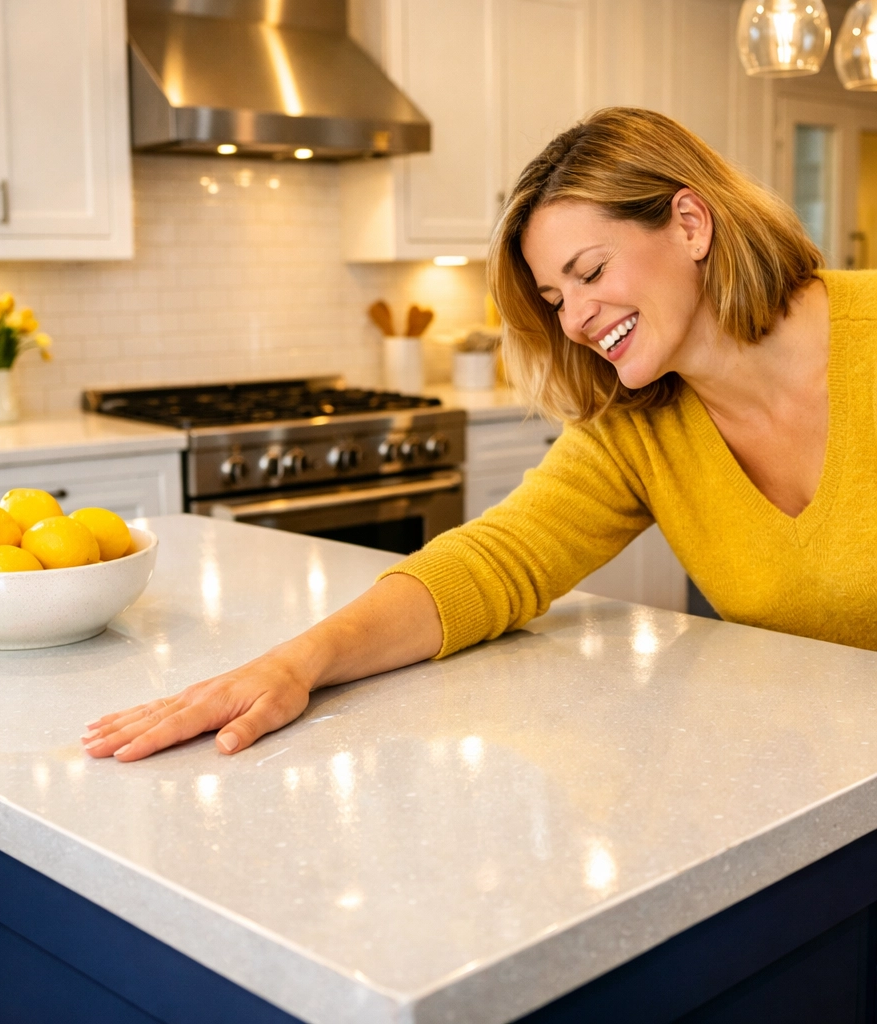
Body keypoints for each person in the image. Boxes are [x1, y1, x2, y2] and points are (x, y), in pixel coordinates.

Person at [82, 106, 877, 763]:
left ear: (691, 223)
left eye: (590, 273)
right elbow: (494, 562)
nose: (576, 321)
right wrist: (298, 663)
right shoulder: (638, 424)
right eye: (555, 298)